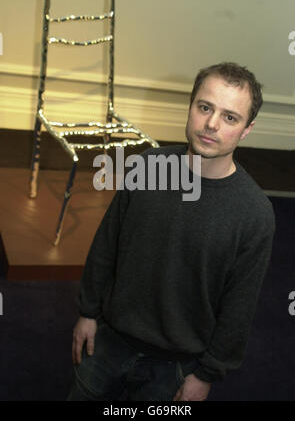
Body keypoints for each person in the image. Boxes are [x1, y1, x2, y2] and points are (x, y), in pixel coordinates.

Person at [67, 62, 275, 402]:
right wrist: (87, 312)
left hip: (177, 367)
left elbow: (239, 307)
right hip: (108, 341)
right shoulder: (146, 167)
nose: (211, 124)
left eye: (230, 117)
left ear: (247, 129)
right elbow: (106, 247)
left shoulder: (255, 214)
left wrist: (207, 374)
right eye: (205, 107)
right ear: (190, 106)